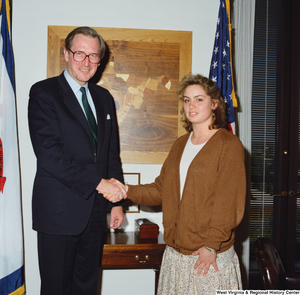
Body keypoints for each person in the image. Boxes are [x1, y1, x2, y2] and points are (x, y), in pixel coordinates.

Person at [106, 74, 246, 294]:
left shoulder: (229, 145)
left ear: (214, 104)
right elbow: (161, 190)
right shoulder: (180, 144)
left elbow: (228, 203)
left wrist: (211, 246)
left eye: (199, 99)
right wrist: (125, 191)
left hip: (208, 255)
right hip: (175, 254)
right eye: (187, 100)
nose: (191, 105)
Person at [28, 26, 126, 295]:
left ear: (100, 60)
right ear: (66, 54)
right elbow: (50, 155)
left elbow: (110, 154)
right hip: (58, 214)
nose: (86, 62)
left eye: (93, 56)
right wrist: (100, 184)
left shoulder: (104, 98)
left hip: (95, 214)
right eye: (79, 53)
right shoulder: (44, 93)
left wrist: (117, 204)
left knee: (87, 288)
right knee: (57, 288)